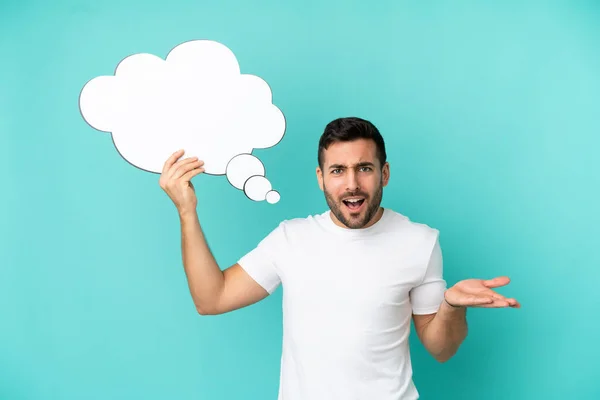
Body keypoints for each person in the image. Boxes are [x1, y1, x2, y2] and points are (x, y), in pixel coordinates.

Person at [159, 117, 520, 399]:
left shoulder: (420, 242)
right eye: (337, 170)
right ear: (321, 178)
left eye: (364, 168)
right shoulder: (291, 238)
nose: (352, 184)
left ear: (384, 174)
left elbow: (441, 349)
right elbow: (212, 298)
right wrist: (187, 212)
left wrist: (452, 306)